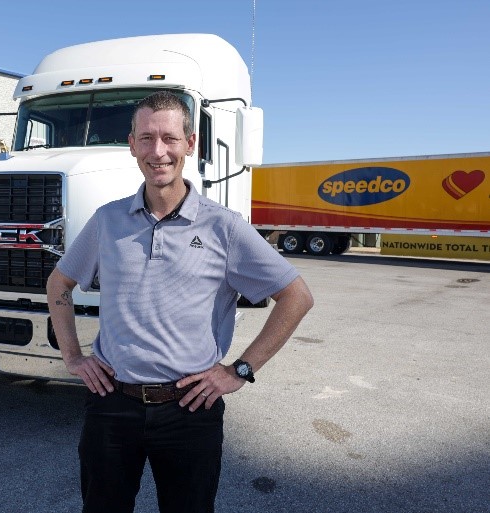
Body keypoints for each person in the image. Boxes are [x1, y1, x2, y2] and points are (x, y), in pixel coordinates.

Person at [46, 91, 314, 513]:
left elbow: (296, 296)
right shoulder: (107, 220)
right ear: (132, 144)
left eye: (169, 138)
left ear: (191, 144)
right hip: (112, 406)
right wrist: (73, 356)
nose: (158, 151)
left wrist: (241, 369)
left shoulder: (223, 226)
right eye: (146, 138)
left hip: (190, 409)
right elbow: (58, 285)